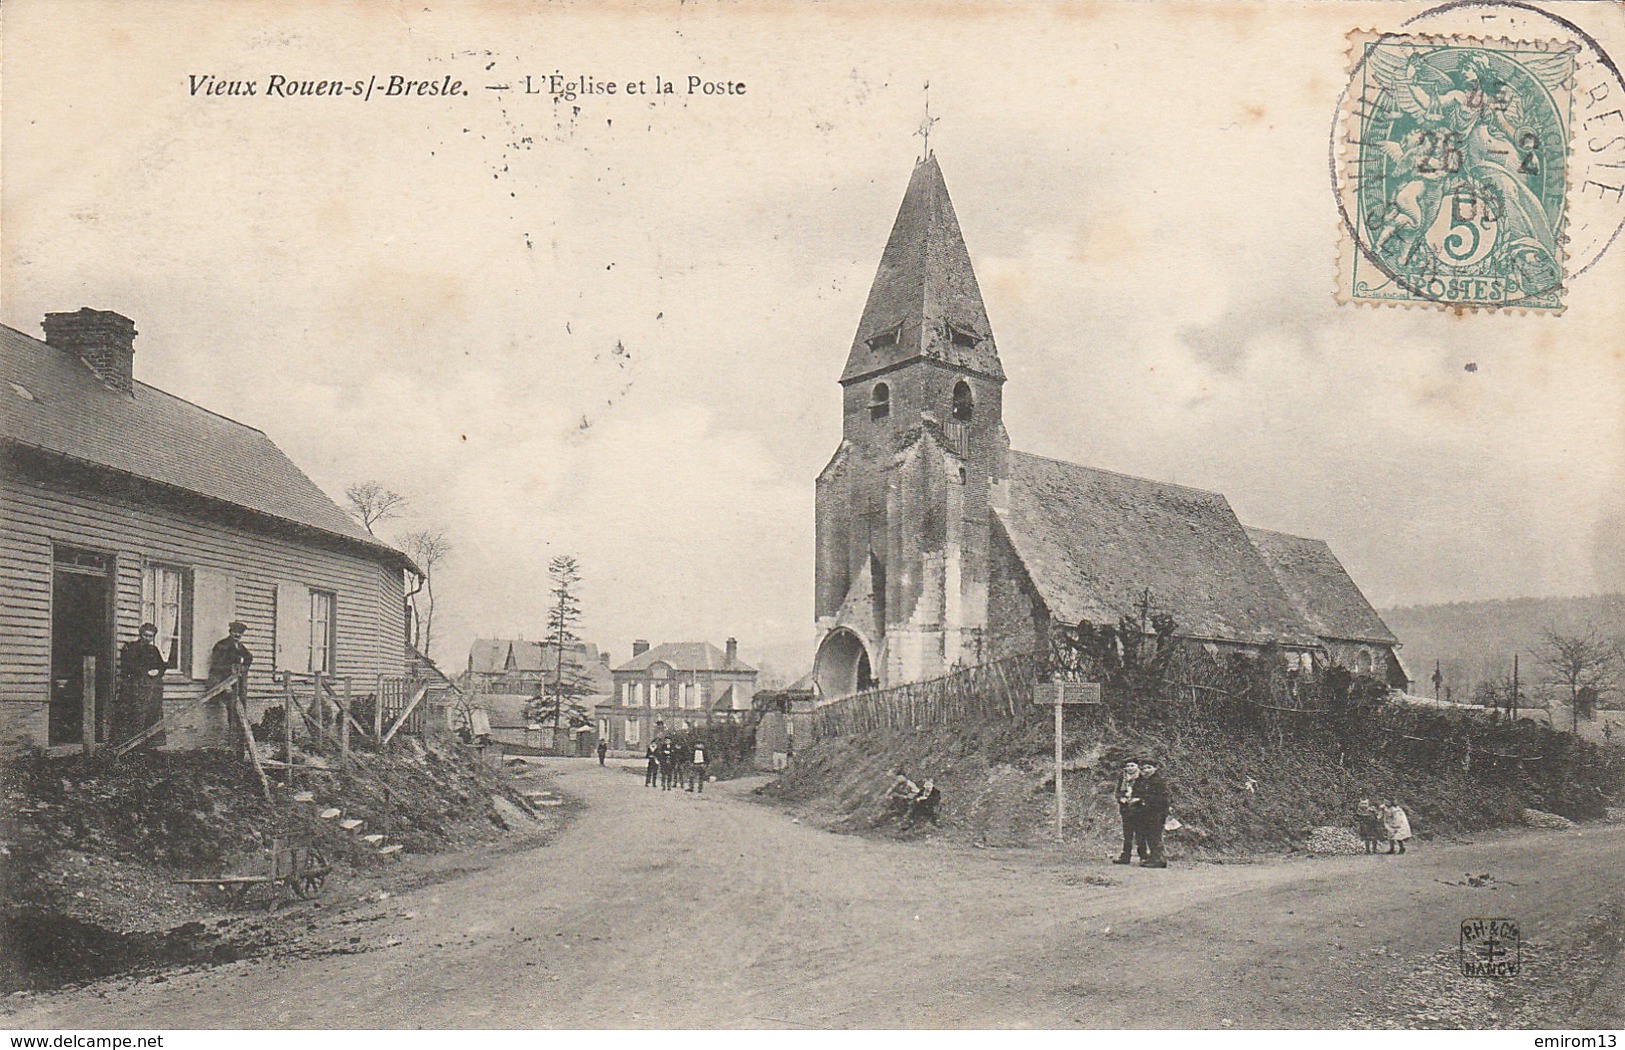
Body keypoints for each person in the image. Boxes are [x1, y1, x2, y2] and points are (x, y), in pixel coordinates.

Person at [115, 623, 175, 748]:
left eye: (151, 636)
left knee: (152, 713)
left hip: (152, 688)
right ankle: (131, 745)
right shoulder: (130, 648)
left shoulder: (153, 650)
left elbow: (161, 665)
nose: (147, 638)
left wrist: (158, 672)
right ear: (140, 634)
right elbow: (128, 666)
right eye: (145, 635)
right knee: (135, 714)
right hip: (135, 687)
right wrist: (145, 672)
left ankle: (149, 745)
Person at [208, 621, 254, 753]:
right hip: (226, 685)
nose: (237, 635)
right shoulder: (222, 645)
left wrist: (244, 667)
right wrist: (225, 683)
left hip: (239, 686)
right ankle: (234, 746)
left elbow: (249, 657)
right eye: (235, 632)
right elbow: (216, 667)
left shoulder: (239, 646)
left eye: (240, 633)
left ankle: (240, 745)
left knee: (240, 713)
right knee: (233, 714)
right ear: (230, 632)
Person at [1135, 760, 1171, 867]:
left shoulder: (1158, 781)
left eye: (1149, 768)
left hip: (1156, 812)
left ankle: (1159, 860)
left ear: (1155, 768)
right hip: (1147, 813)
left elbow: (1162, 798)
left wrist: (1142, 799)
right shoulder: (1145, 781)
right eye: (1144, 768)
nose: (1146, 770)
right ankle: (1153, 857)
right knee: (1149, 835)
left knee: (1155, 836)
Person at [1112, 759, 1142, 864]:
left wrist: (1138, 799)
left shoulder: (1141, 778)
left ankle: (1143, 856)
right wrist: (1121, 798)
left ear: (1137, 766)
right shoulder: (1122, 778)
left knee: (1140, 833)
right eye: (1128, 766)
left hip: (1139, 808)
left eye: (1132, 765)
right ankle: (1125, 857)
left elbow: (1145, 792)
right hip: (1126, 808)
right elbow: (1117, 792)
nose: (1130, 768)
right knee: (1127, 834)